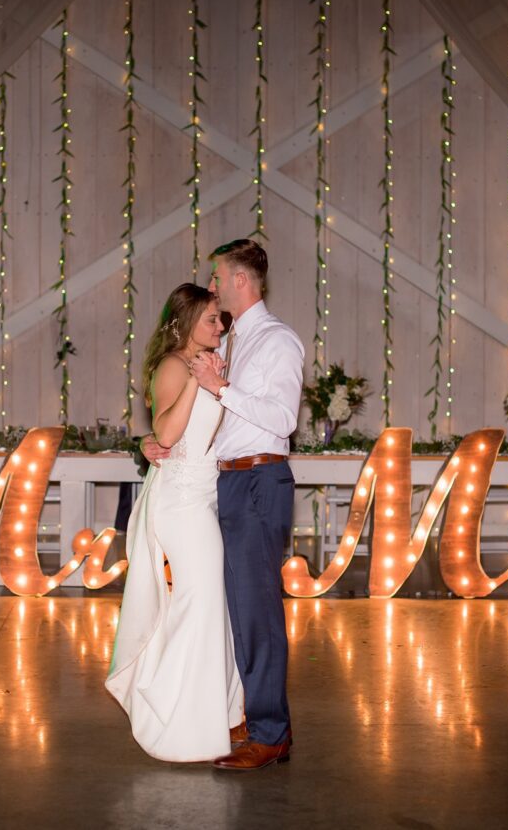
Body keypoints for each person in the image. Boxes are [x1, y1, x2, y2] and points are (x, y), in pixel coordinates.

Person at [143, 239, 305, 771]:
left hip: (260, 478)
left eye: (217, 277)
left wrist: (221, 388)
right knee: (236, 607)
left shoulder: (278, 341)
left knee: (257, 611)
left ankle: (270, 733)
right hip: (224, 484)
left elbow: (281, 420)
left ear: (239, 280)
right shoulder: (229, 343)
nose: (211, 286)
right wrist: (158, 443)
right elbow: (193, 414)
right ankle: (241, 713)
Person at [106, 283, 244, 762]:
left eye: (221, 318)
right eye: (211, 319)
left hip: (206, 498)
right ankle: (178, 721)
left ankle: (221, 716)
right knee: (197, 605)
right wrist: (195, 381)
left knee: (209, 607)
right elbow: (166, 431)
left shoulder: (214, 361)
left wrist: (214, 379)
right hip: (182, 505)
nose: (220, 326)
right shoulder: (173, 366)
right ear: (186, 323)